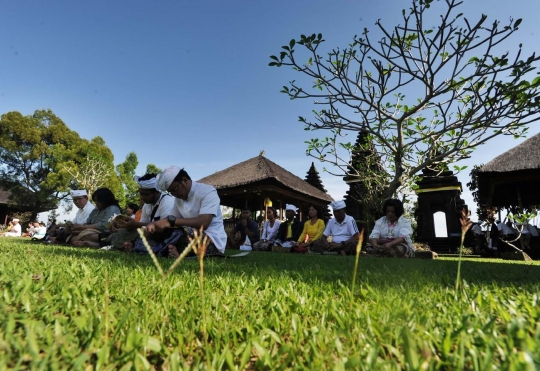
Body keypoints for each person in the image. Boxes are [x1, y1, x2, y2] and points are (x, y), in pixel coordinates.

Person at [146, 166, 227, 258]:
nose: (174, 194)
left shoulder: (208, 191)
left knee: (183, 231)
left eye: (174, 189)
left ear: (184, 180)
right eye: (170, 192)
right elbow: (170, 219)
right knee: (160, 231)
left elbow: (204, 223)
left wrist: (171, 221)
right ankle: (175, 251)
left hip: (212, 241)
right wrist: (155, 224)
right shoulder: (178, 200)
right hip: (191, 237)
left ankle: (174, 251)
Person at [114, 173, 176, 252]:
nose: (142, 197)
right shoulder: (147, 204)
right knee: (123, 232)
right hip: (150, 234)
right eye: (141, 194)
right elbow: (143, 224)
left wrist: (136, 224)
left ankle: (135, 246)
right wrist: (129, 225)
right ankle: (134, 245)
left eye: (145, 194)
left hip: (165, 235)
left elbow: (165, 225)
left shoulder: (167, 201)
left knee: (148, 232)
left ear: (157, 191)